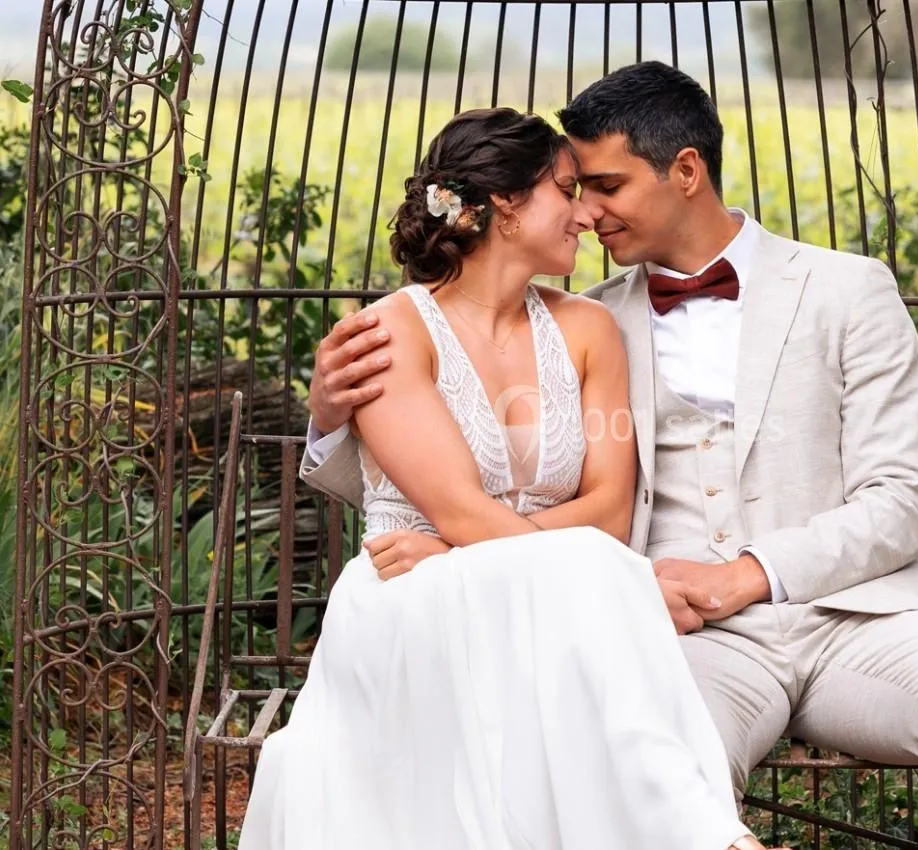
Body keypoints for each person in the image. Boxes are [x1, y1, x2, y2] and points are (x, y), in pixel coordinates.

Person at [303, 63, 918, 848]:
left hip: (856, 621)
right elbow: (451, 468)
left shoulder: (848, 291)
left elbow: (903, 498)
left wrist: (747, 575)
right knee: (657, 771)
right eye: (575, 191)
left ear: (686, 171)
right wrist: (333, 419)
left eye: (606, 186)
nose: (588, 213)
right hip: (684, 637)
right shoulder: (581, 320)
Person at [239, 107, 781, 850]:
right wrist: (530, 562)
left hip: (501, 582)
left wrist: (458, 551)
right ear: (504, 203)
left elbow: (610, 513)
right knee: (599, 593)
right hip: (413, 599)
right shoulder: (391, 334)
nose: (587, 216)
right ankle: (710, 837)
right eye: (567, 191)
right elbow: (460, 509)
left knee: (595, 588)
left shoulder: (590, 330)